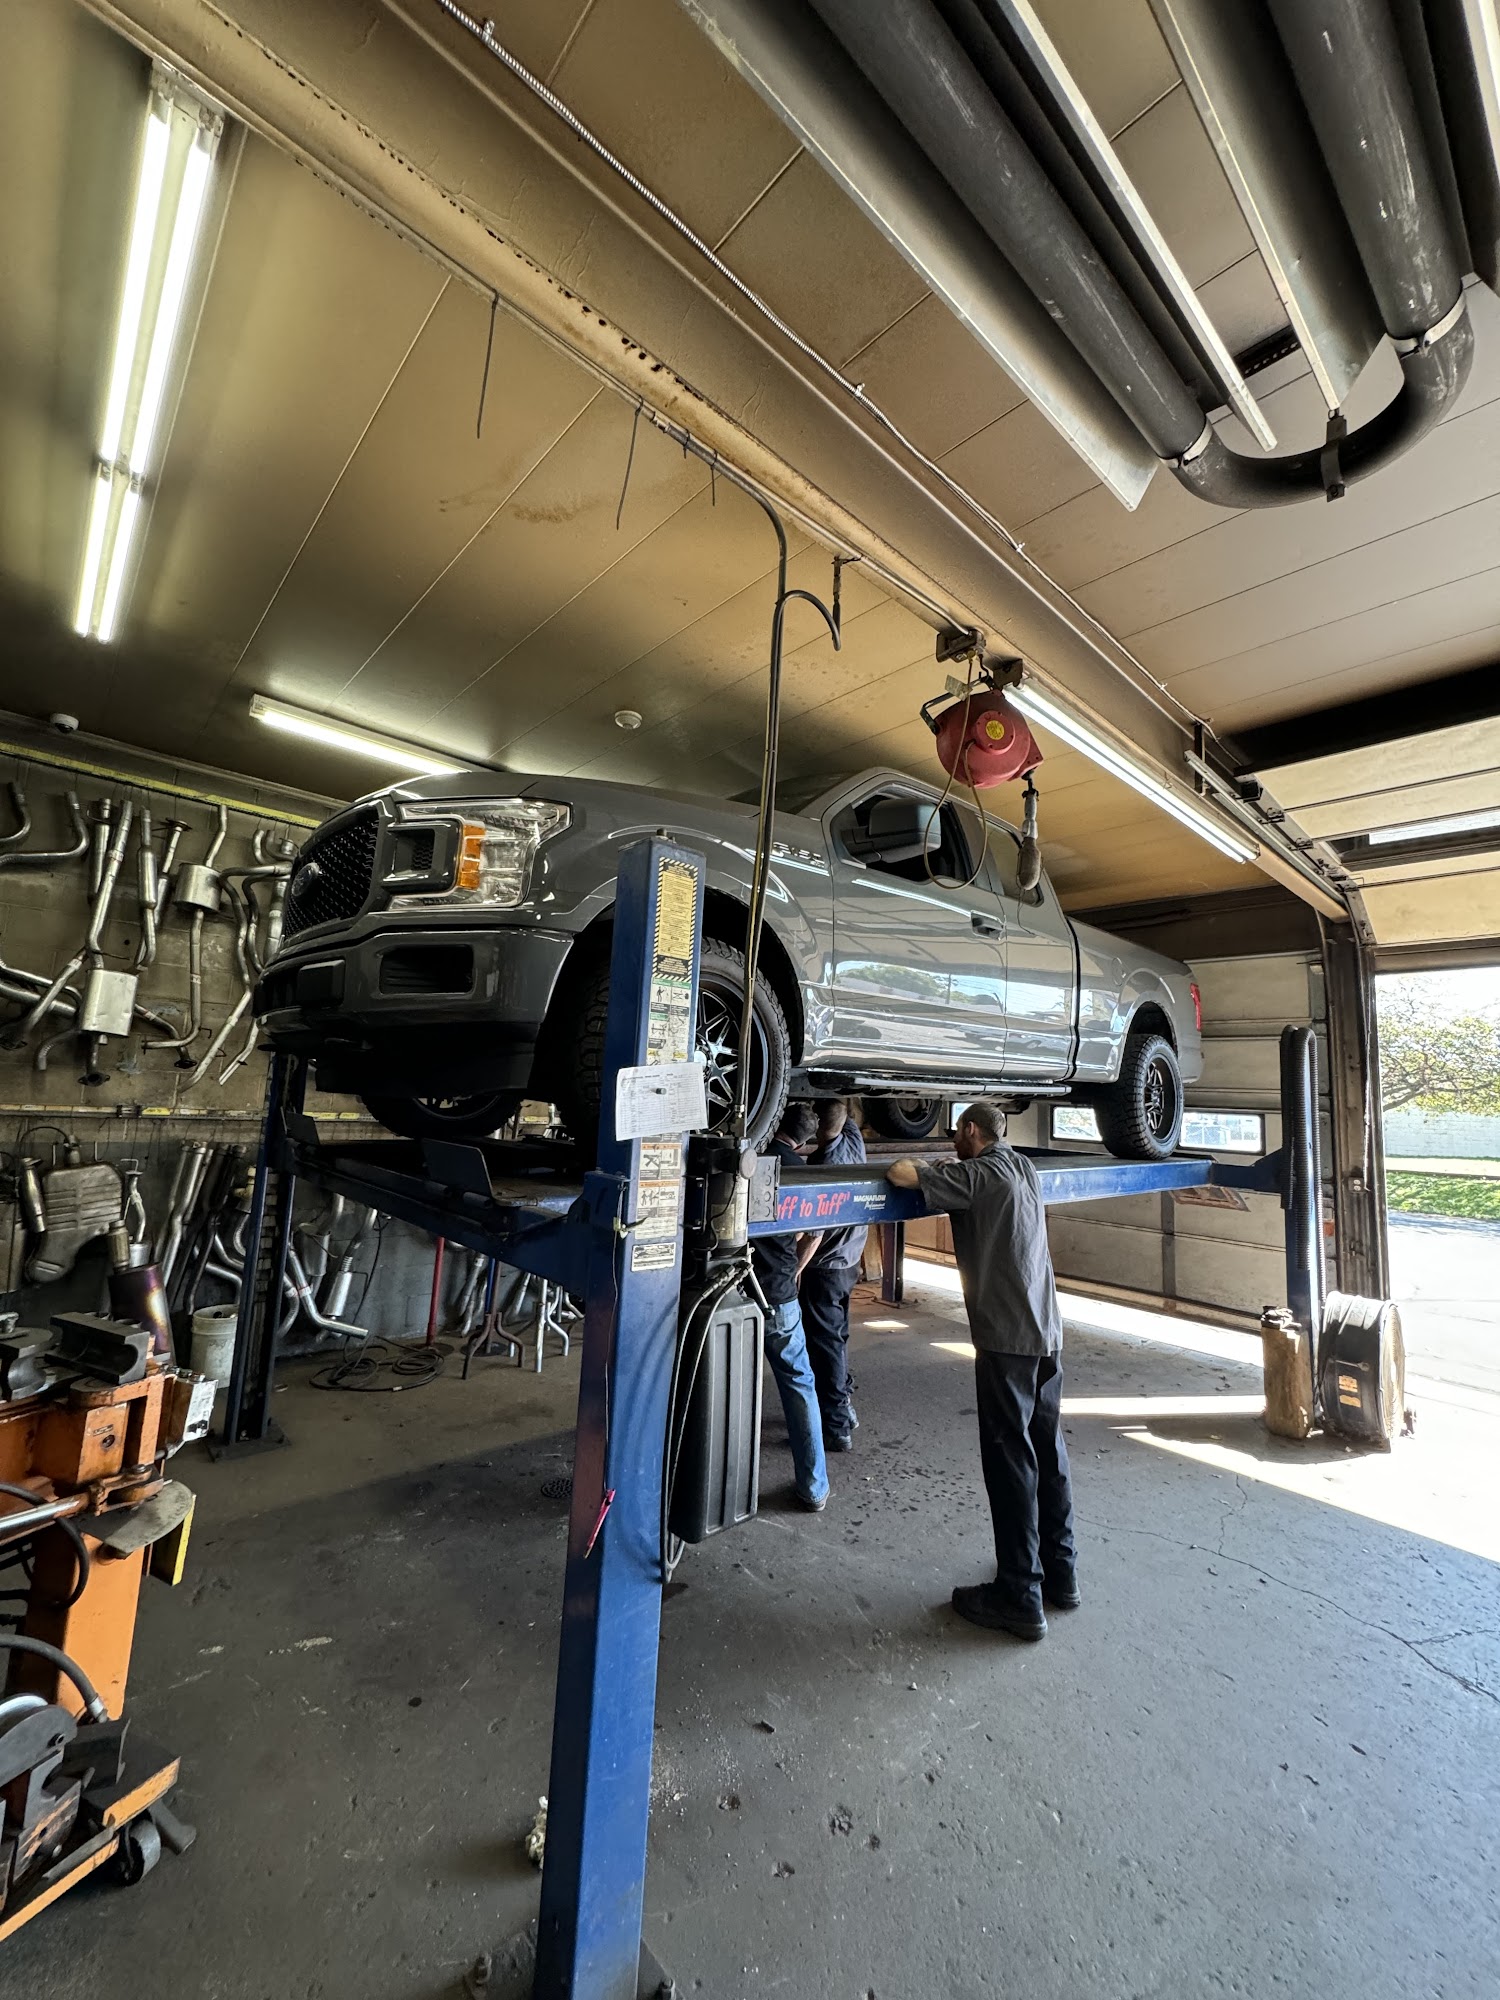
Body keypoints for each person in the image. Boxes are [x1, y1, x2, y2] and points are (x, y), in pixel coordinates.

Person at [887, 1099, 1077, 1640]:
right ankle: (1060, 1575)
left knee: (1009, 1459)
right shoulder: (1022, 1167)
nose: (952, 1140)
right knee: (1048, 1451)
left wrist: (931, 1168)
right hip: (1046, 1332)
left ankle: (1019, 1595)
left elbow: (900, 1173)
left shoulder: (979, 1176)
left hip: (1007, 1339)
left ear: (971, 1130)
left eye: (955, 1132)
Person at [752, 1102, 830, 1513]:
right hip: (779, 1295)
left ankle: (718, 1488)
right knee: (799, 1385)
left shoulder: (750, 1156)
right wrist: (794, 1271)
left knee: (724, 1386)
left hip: (732, 1294)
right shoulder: (801, 1171)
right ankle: (813, 1487)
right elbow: (814, 1234)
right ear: (804, 1142)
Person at [796, 1098, 865, 1450]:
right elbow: (843, 1114)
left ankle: (836, 1426)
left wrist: (795, 1270)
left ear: (819, 1129)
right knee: (836, 1338)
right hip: (850, 1262)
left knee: (825, 1345)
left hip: (824, 1268)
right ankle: (844, 1405)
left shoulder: (824, 1165)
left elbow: (814, 1234)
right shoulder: (855, 1141)